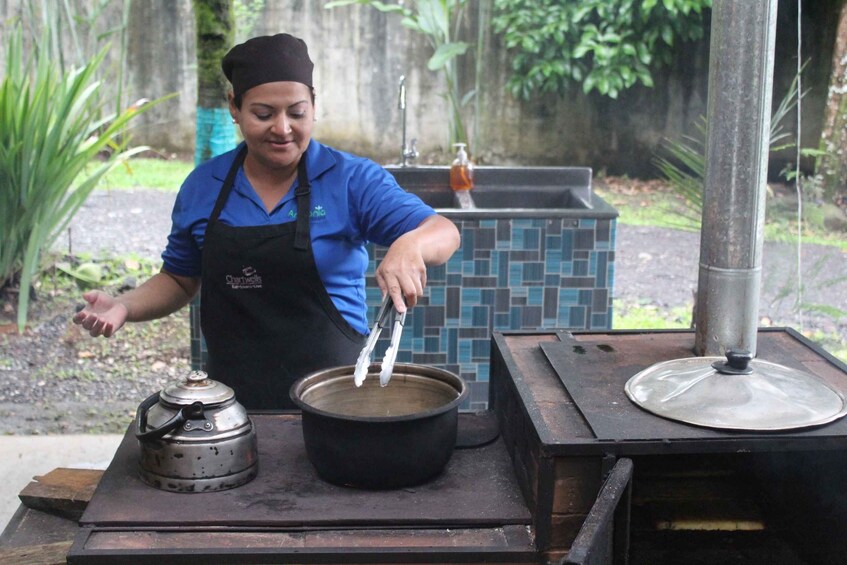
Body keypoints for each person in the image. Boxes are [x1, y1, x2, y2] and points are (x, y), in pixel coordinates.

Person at [73, 33, 461, 409]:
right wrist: (124, 306)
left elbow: (443, 232)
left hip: (334, 402)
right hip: (231, 407)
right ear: (234, 108)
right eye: (263, 114)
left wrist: (409, 245)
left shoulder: (350, 180)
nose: (282, 128)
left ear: (313, 105)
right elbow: (178, 278)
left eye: (296, 112)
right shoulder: (203, 186)